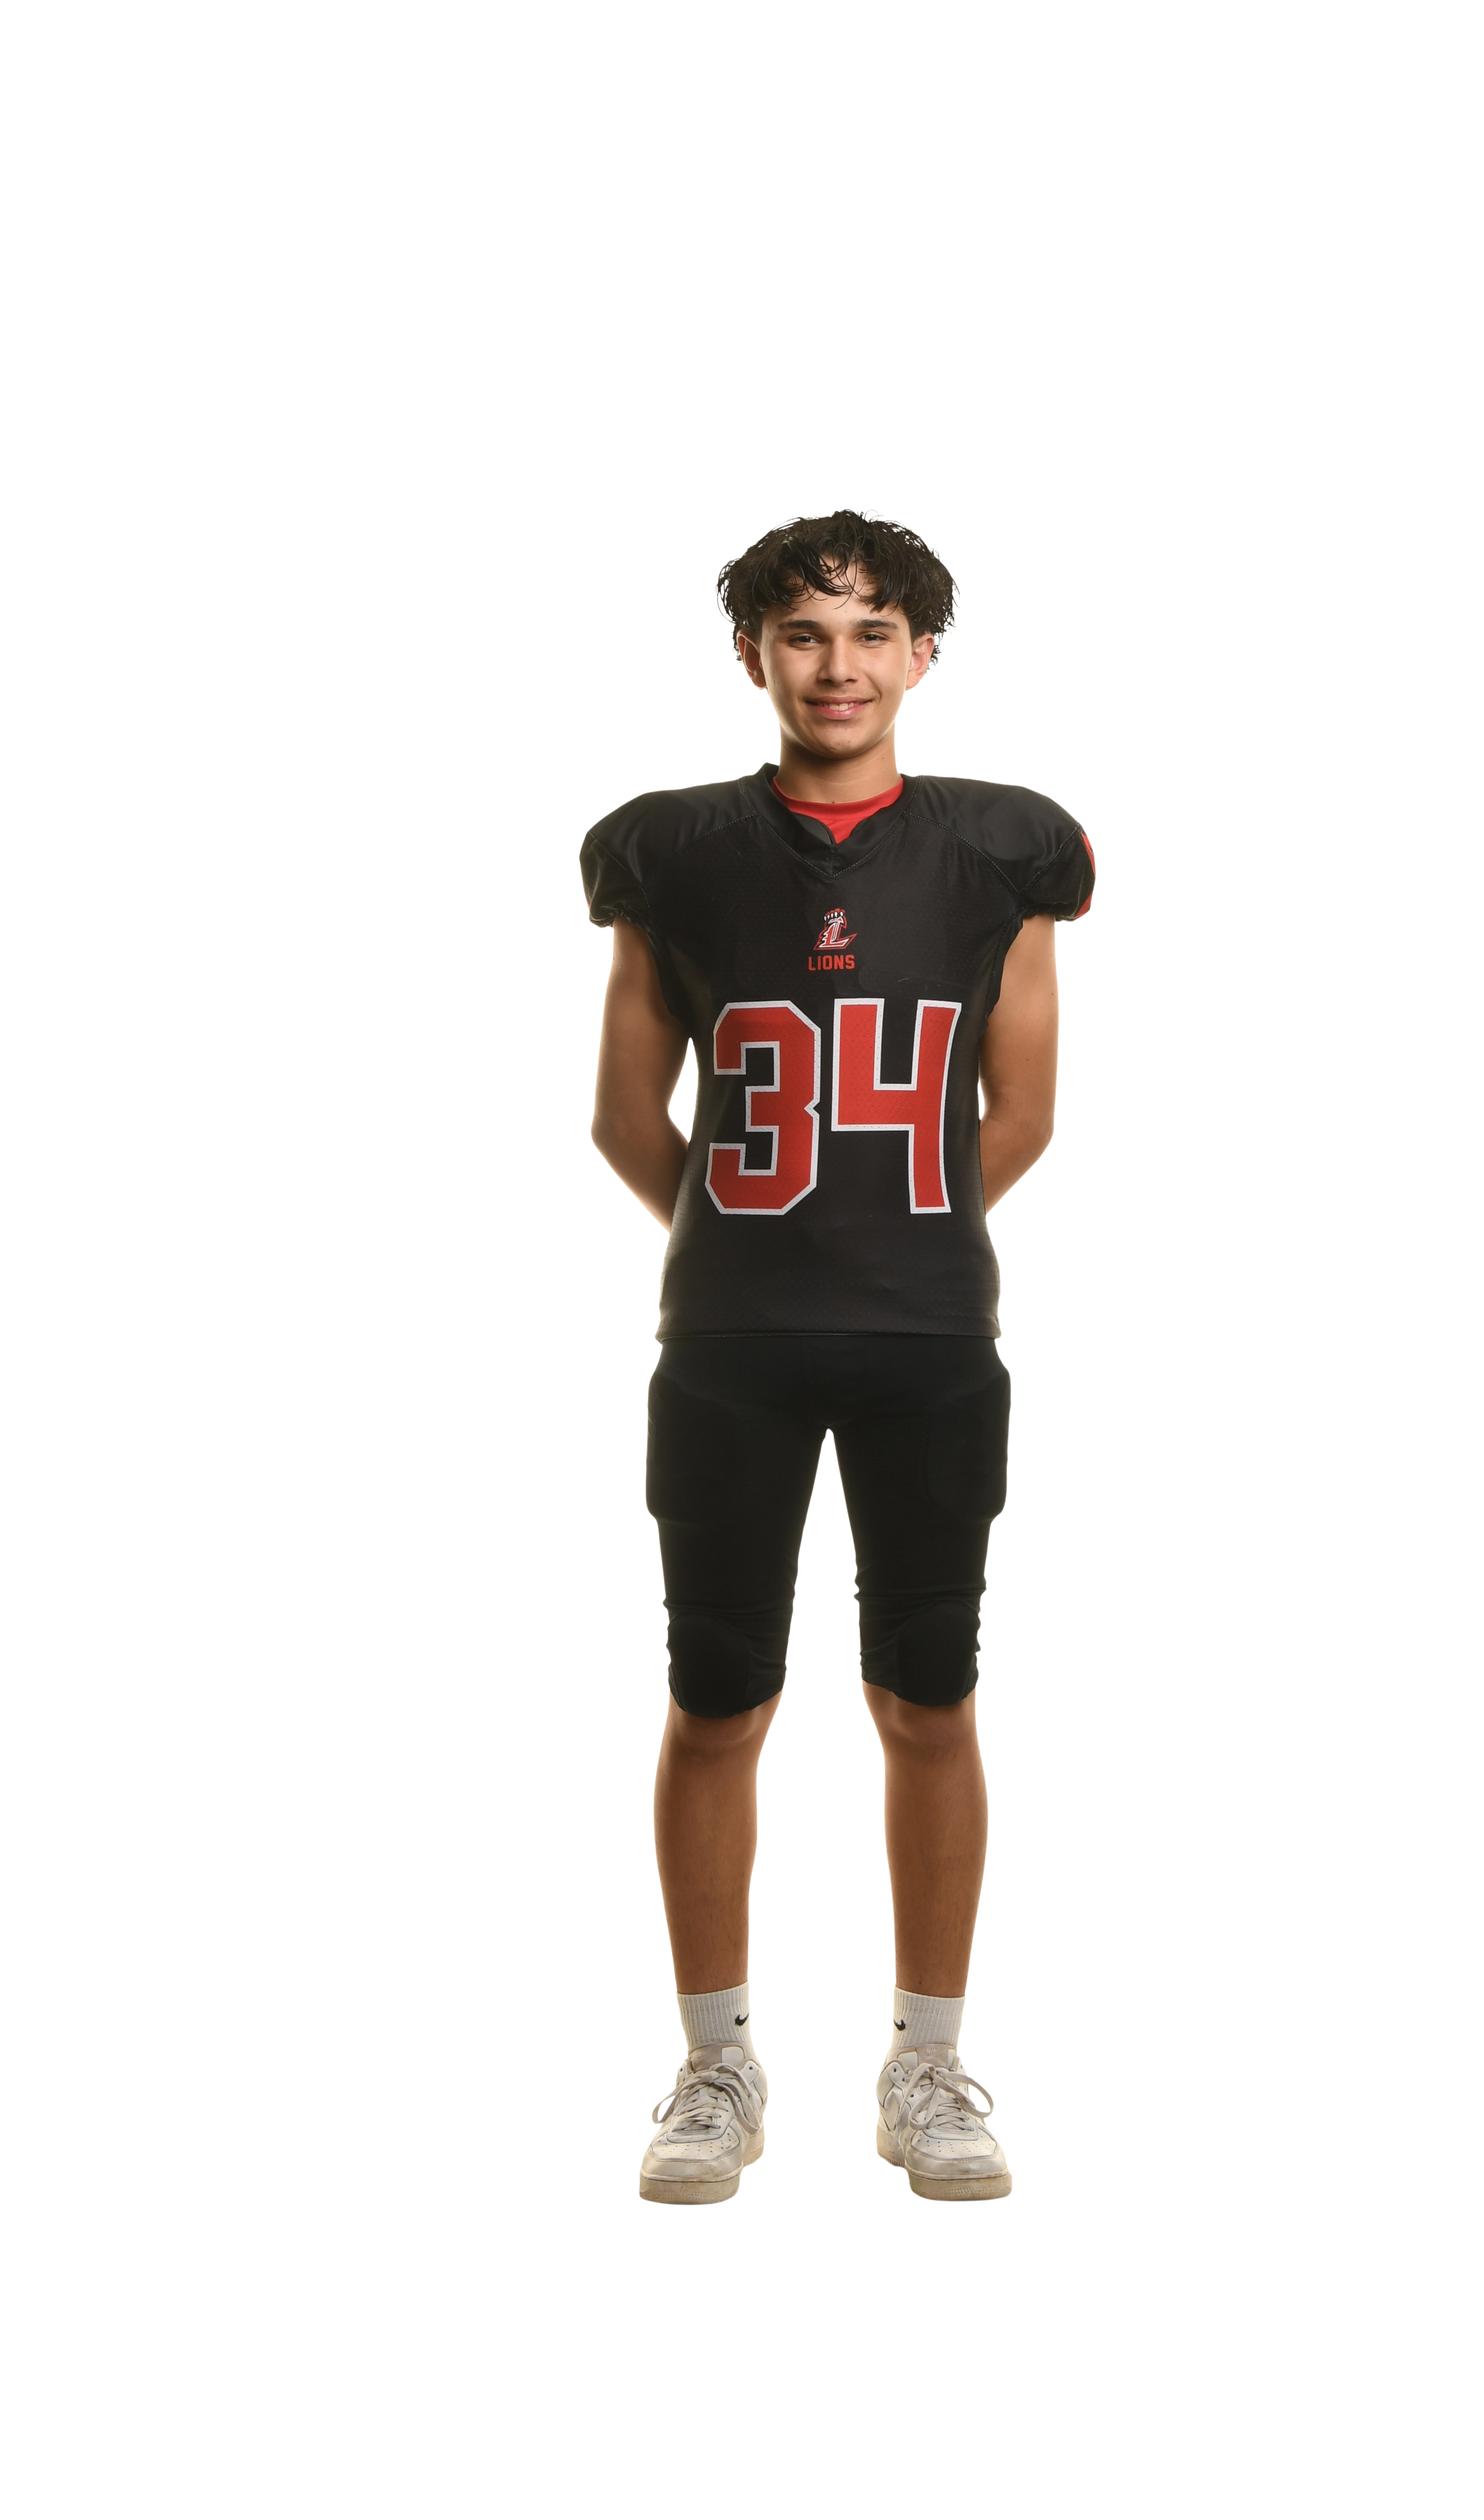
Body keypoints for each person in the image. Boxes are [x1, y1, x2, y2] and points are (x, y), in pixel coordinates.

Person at [582, 505, 1094, 2203]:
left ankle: (928, 2068)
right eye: (805, 630)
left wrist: (888, 1229)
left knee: (928, 1695)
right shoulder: (674, 848)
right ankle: (716, 2064)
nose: (840, 664)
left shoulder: (1001, 849)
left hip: (930, 1333)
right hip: (728, 1341)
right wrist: (758, 1241)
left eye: (874, 631)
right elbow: (623, 1117)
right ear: (754, 652)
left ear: (922, 652)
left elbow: (1021, 1111)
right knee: (715, 1695)